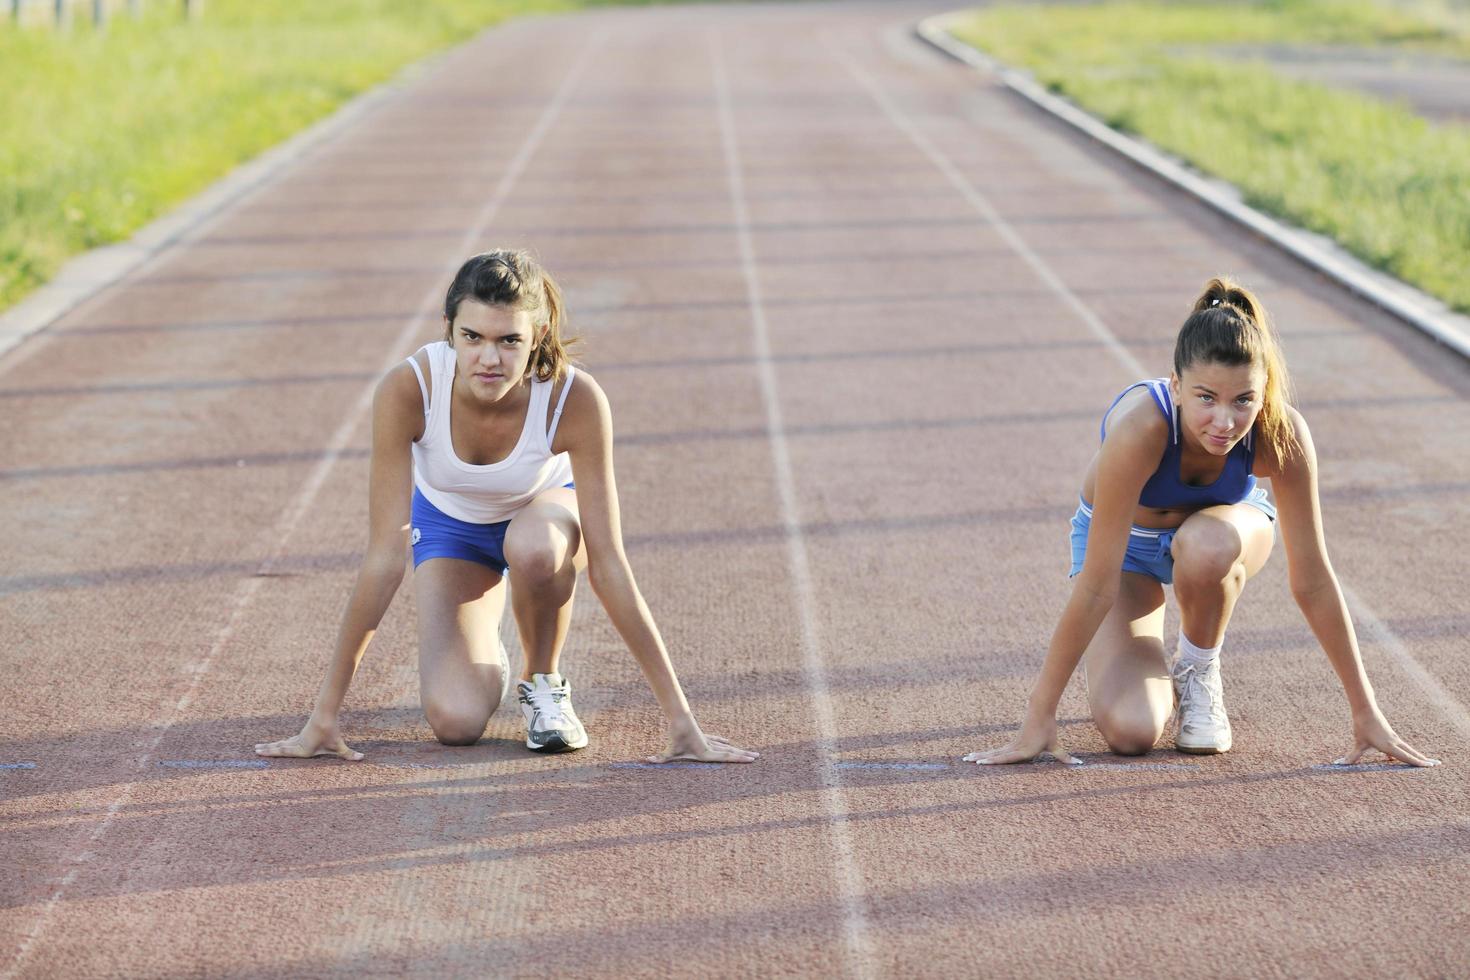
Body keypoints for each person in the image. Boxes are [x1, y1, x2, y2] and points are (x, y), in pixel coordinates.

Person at [256, 250, 757, 765]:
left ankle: (543, 681)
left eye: (509, 341)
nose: (489, 360)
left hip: (544, 518)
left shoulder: (573, 397)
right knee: (455, 723)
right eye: (472, 338)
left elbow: (609, 564)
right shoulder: (409, 389)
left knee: (535, 548)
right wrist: (324, 717)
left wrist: (681, 721)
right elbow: (384, 557)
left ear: (537, 336)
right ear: (448, 329)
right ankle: (483, 641)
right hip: (452, 529)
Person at [965, 277, 1437, 767]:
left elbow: (1314, 580)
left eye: (1243, 401)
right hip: (1127, 552)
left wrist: (1366, 710)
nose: (1225, 421)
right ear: (1176, 387)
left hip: (1215, 539)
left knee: (1205, 542)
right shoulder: (1142, 429)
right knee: (1131, 732)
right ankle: (1135, 671)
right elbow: (1096, 585)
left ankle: (1198, 667)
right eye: (1206, 397)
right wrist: (1040, 716)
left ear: (1263, 393)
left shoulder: (1282, 435)